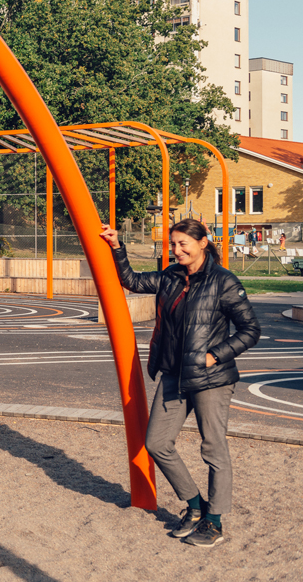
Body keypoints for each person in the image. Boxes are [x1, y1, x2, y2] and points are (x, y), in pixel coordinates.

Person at [100, 219, 259, 548]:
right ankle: (195, 505)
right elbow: (131, 281)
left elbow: (250, 330)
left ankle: (214, 522)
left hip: (211, 378)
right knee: (157, 443)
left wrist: (216, 355)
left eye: (184, 243)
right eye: (173, 244)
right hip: (174, 373)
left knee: (213, 448)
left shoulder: (224, 281)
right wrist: (117, 247)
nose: (177, 250)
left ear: (203, 243)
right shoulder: (171, 276)